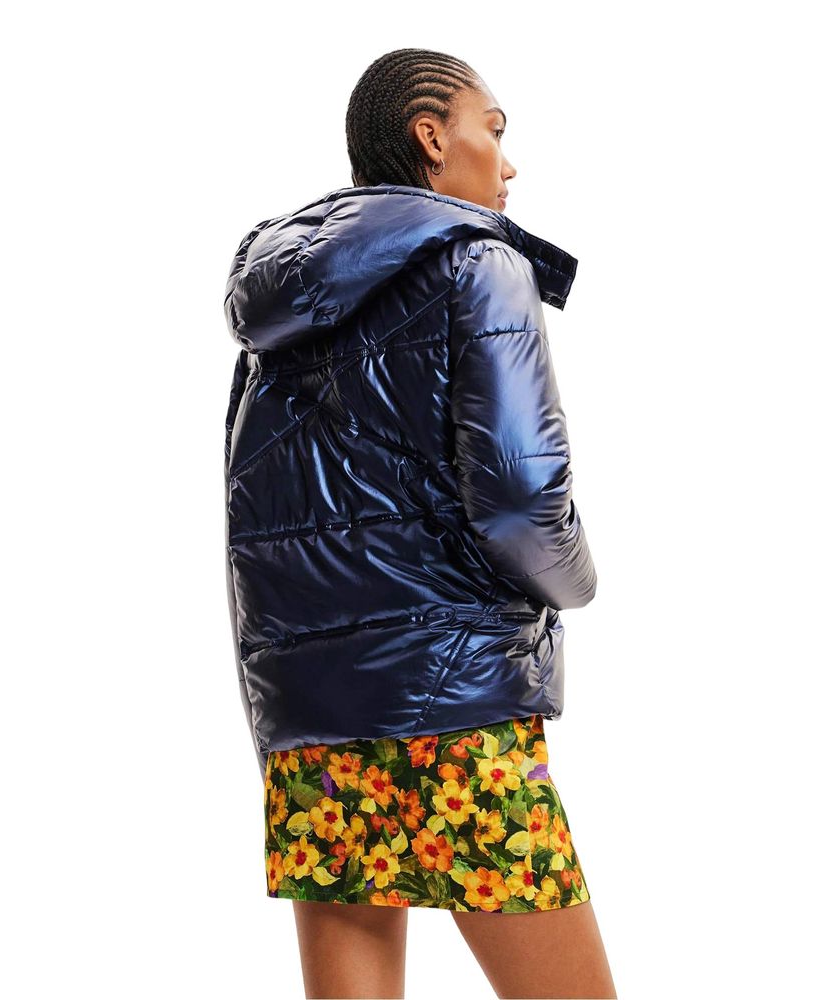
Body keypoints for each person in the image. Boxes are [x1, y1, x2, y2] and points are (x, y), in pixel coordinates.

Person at [222, 47, 617, 1000]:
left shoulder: (280, 301)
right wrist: (578, 583)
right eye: (494, 130)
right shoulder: (481, 260)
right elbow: (521, 500)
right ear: (432, 138)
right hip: (457, 699)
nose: (509, 162)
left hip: (311, 708)